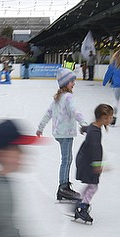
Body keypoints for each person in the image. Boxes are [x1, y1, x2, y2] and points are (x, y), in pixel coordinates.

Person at [36, 68, 88, 202]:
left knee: (66, 159)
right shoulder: (68, 97)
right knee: (66, 160)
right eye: (72, 81)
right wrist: (84, 124)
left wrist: (40, 127)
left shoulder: (58, 98)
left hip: (59, 133)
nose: (74, 83)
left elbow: (48, 113)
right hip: (65, 133)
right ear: (65, 83)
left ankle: (64, 186)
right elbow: (75, 111)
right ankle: (63, 187)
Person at [73, 104, 114, 224]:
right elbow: (96, 149)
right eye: (110, 117)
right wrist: (97, 165)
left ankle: (79, 201)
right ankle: (82, 207)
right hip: (88, 162)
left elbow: (88, 128)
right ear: (103, 118)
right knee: (93, 186)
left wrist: (83, 129)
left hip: (85, 160)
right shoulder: (95, 132)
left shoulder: (94, 126)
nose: (112, 119)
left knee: (91, 184)